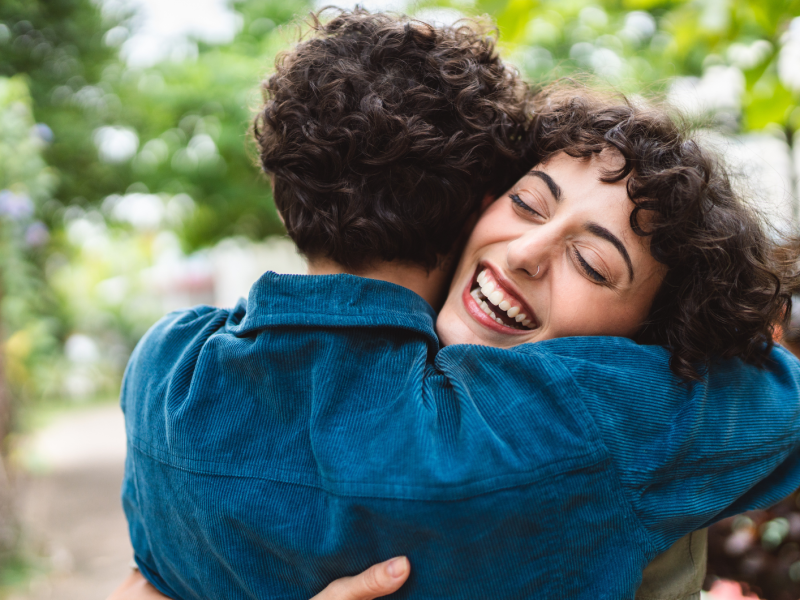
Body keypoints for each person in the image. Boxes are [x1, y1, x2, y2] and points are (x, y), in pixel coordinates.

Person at [112, 10, 800, 600]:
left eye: (591, 262)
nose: (529, 251)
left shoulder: (168, 366)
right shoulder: (604, 431)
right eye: (525, 202)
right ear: (470, 205)